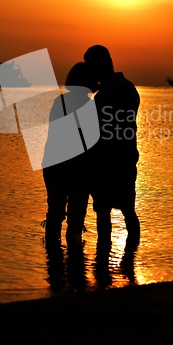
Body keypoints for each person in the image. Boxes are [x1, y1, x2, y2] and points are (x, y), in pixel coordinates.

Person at [84, 45, 140, 250]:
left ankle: (103, 257)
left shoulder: (104, 94)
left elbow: (98, 132)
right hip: (127, 158)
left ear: (97, 66)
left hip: (106, 162)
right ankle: (131, 258)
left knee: (104, 212)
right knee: (129, 211)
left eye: (90, 66)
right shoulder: (130, 87)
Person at [42, 62, 98, 246]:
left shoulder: (59, 101)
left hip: (53, 165)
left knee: (55, 213)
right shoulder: (90, 105)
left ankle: (52, 262)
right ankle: (75, 262)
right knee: (75, 218)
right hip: (77, 168)